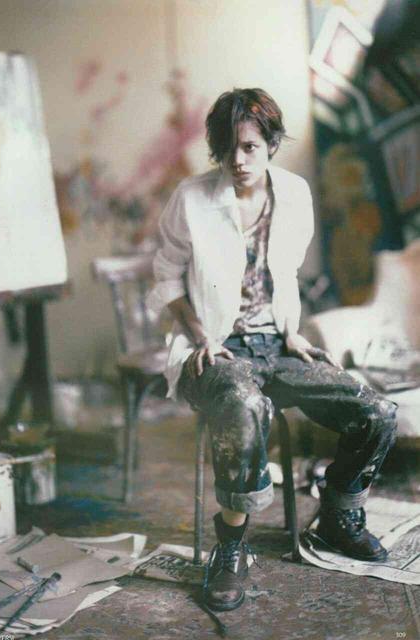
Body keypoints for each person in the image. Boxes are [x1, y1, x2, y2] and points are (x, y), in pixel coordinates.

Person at [147, 88, 397, 612]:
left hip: (277, 344)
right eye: (228, 148)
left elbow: (284, 270)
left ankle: (338, 518)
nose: (238, 160)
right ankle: (232, 547)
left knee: (374, 411)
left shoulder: (295, 194)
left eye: (250, 147)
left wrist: (292, 331)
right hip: (213, 350)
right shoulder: (191, 198)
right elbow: (166, 276)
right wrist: (201, 335)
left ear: (272, 144)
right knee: (245, 406)